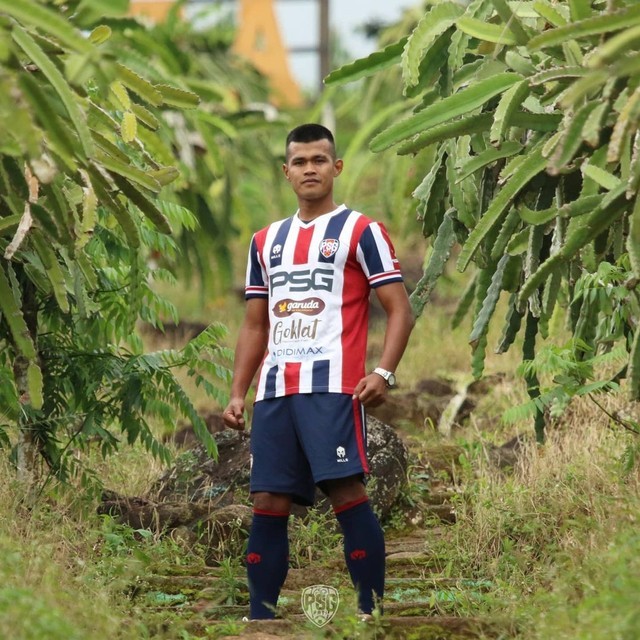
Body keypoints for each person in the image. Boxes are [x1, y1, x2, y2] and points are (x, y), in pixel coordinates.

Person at [222, 123, 414, 620]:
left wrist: (384, 372)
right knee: (268, 499)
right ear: (286, 172)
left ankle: (369, 613)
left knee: (345, 490)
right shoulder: (265, 241)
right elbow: (255, 324)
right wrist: (238, 391)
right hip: (274, 391)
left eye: (319, 160)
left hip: (332, 388)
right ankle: (261, 617)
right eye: (300, 162)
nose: (310, 169)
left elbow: (399, 308)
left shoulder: (361, 231)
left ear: (336, 167)